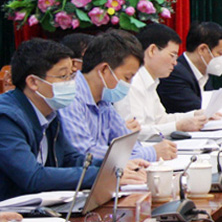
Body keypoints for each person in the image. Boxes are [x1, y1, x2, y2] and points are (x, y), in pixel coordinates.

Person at [0, 38, 146, 201]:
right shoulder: (6, 118)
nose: (71, 83)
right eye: (63, 76)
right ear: (33, 82)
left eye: (72, 75)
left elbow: (71, 159)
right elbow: (33, 177)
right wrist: (103, 175)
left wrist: (114, 167)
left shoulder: (50, 113)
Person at [61, 30, 176, 162]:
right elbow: (86, 153)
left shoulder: (103, 100)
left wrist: (149, 152)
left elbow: (127, 142)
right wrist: (152, 153)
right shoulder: (71, 98)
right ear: (104, 70)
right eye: (127, 77)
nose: (128, 84)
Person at [115, 24, 208, 140]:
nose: (175, 62)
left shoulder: (151, 81)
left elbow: (161, 120)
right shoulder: (132, 82)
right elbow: (135, 132)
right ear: (152, 50)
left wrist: (195, 115)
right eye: (172, 55)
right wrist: (177, 126)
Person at [158, 21, 222, 113]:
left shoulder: (204, 72)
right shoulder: (174, 74)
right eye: (220, 53)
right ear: (202, 49)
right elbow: (200, 111)